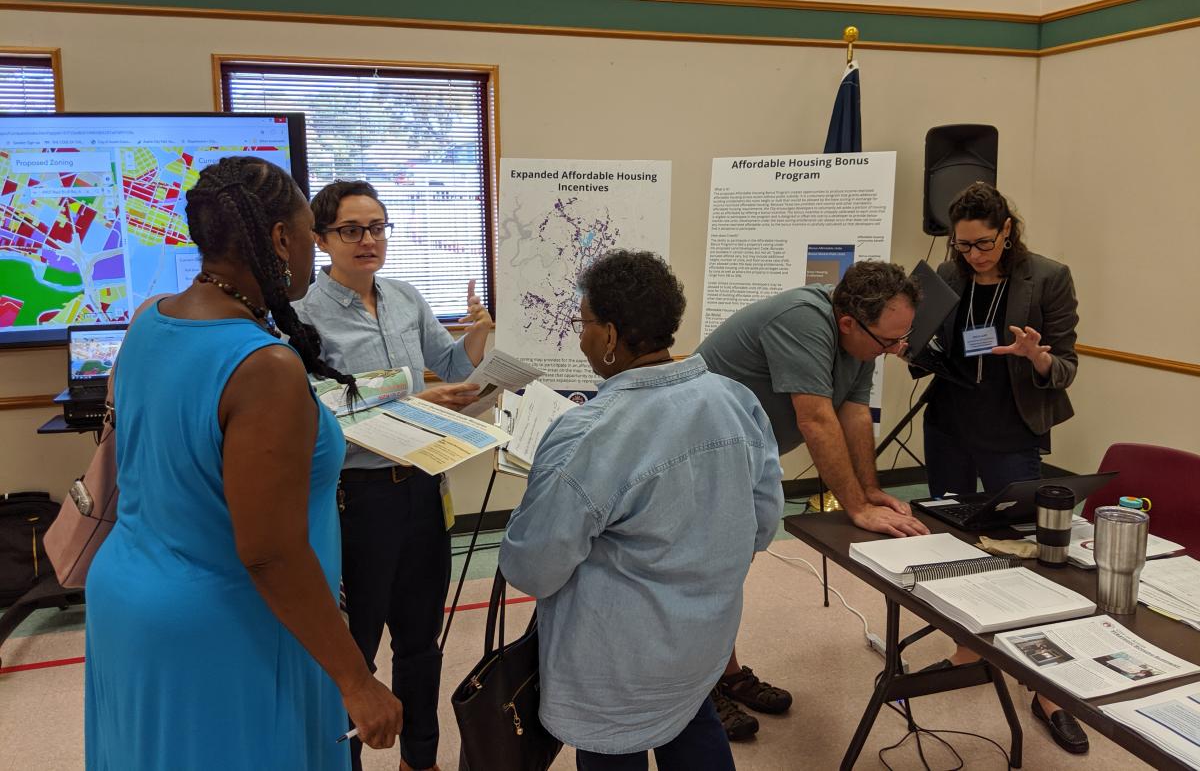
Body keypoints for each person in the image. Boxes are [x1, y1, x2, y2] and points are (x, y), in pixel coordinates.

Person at [85, 157, 403, 770]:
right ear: (281, 239)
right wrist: (357, 681)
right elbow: (269, 551)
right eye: (312, 234)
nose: (316, 251)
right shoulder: (263, 366)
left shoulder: (151, 317)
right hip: (226, 623)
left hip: (129, 598)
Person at [500, 250, 783, 771]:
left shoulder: (588, 433)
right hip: (704, 643)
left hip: (615, 666)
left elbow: (532, 569)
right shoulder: (736, 400)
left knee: (617, 748)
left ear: (609, 336)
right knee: (692, 719)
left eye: (582, 323)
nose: (579, 335)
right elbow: (762, 526)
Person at [293, 180, 493, 771]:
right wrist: (417, 396)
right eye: (351, 229)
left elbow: (453, 370)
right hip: (357, 498)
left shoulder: (406, 297)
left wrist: (475, 337)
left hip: (424, 487)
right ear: (321, 238)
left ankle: (421, 760)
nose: (368, 240)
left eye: (378, 227)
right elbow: (320, 406)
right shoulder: (301, 316)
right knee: (355, 652)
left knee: (420, 642)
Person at [696, 260, 928, 739]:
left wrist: (868, 491)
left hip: (745, 454)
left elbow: (855, 413)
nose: (893, 350)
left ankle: (727, 673)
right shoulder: (803, 319)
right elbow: (816, 419)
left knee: (729, 569)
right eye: (888, 341)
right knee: (704, 574)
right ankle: (701, 690)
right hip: (701, 454)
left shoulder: (859, 340)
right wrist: (857, 510)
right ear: (848, 322)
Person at [914, 181, 1086, 754]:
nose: (973, 255)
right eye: (962, 246)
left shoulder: (1049, 276)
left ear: (1007, 229)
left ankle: (1046, 688)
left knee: (1027, 549)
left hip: (1012, 430)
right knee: (955, 542)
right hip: (949, 426)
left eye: (983, 244)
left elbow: (1065, 366)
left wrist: (1036, 356)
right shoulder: (948, 275)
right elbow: (925, 344)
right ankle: (967, 648)